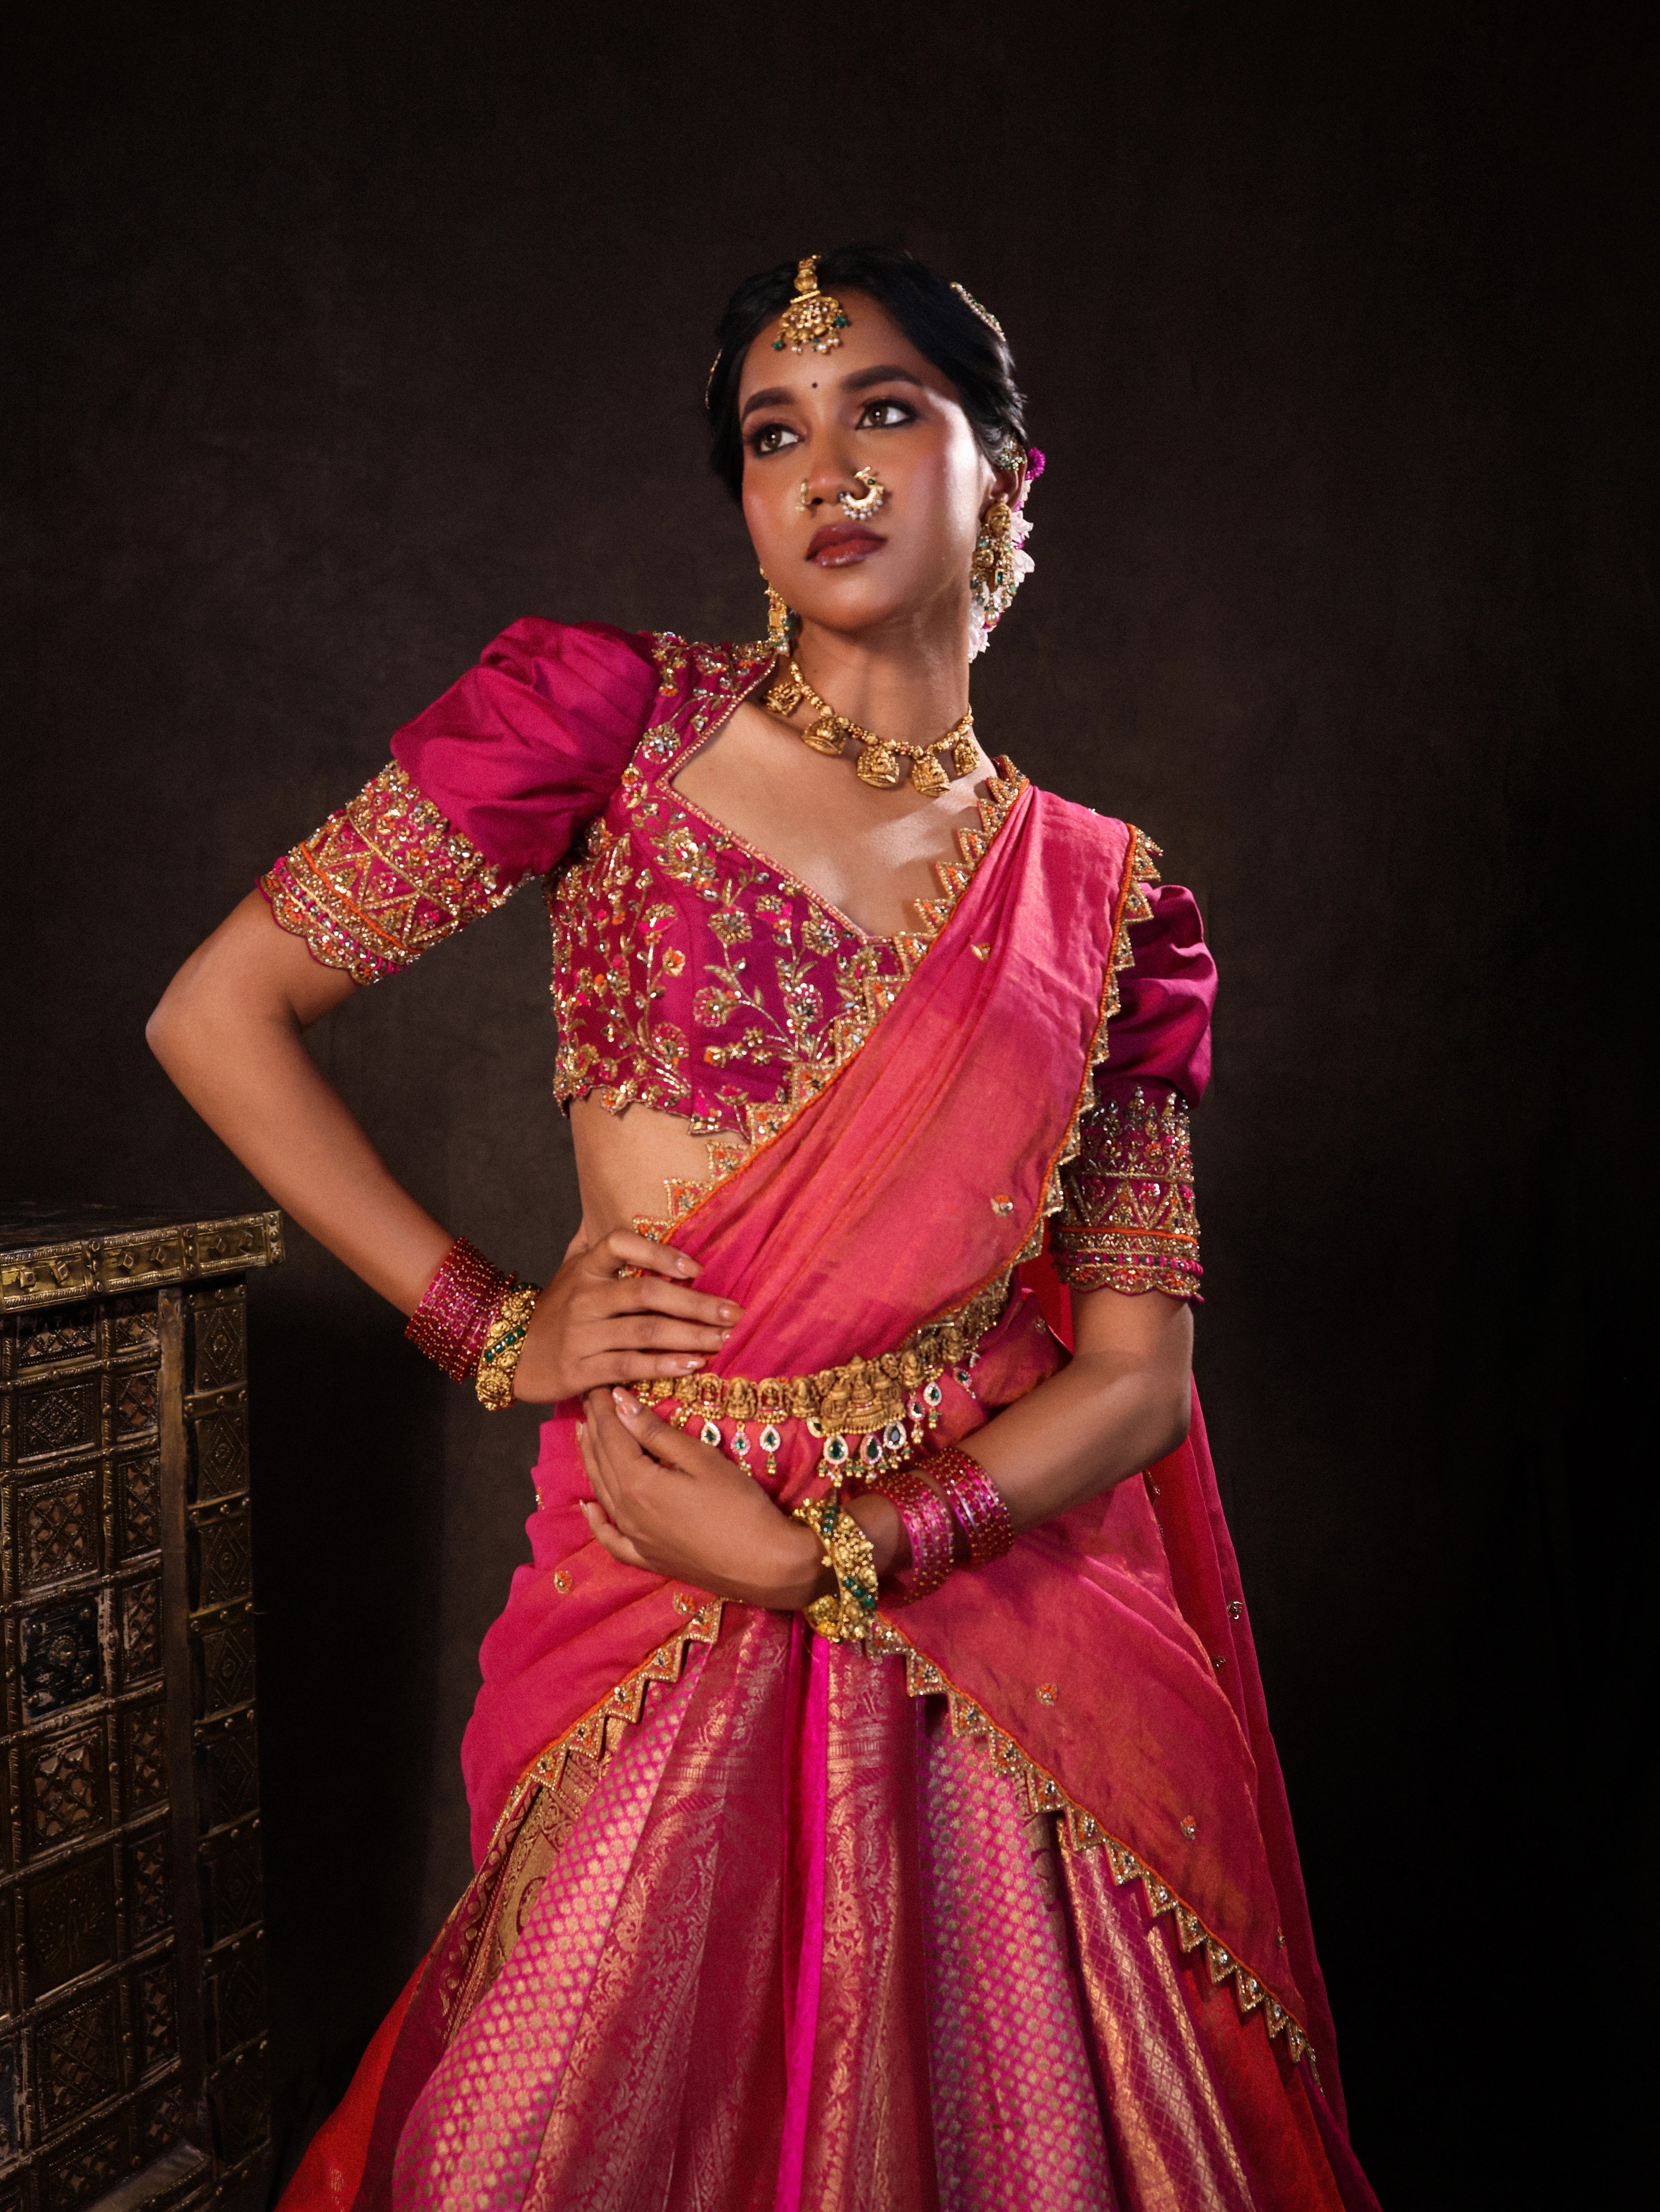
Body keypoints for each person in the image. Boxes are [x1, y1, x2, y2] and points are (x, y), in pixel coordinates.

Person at [148, 245, 1380, 2212]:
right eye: (772, 435)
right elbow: (217, 1013)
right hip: (657, 1563)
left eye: (887, 409)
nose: (831, 470)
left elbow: (1140, 1374)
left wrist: (847, 1550)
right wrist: (490, 1322)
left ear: (1010, 474)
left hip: (992, 1601)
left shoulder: (1111, 903)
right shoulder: (607, 726)